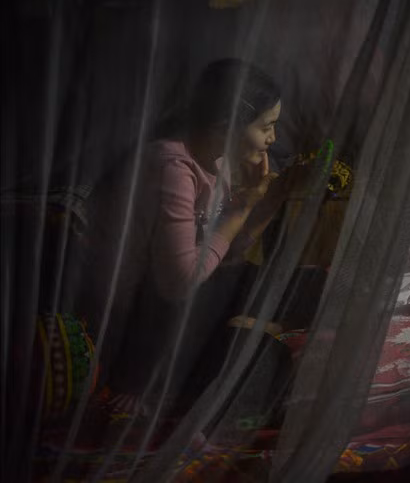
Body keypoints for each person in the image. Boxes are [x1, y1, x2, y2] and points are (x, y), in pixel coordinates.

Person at [84, 58, 293, 416]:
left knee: (253, 302)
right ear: (227, 125)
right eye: (267, 127)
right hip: (113, 315)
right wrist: (241, 211)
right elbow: (178, 281)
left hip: (155, 308)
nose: (273, 139)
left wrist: (269, 198)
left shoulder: (217, 159)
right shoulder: (172, 167)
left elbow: (225, 253)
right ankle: (136, 379)